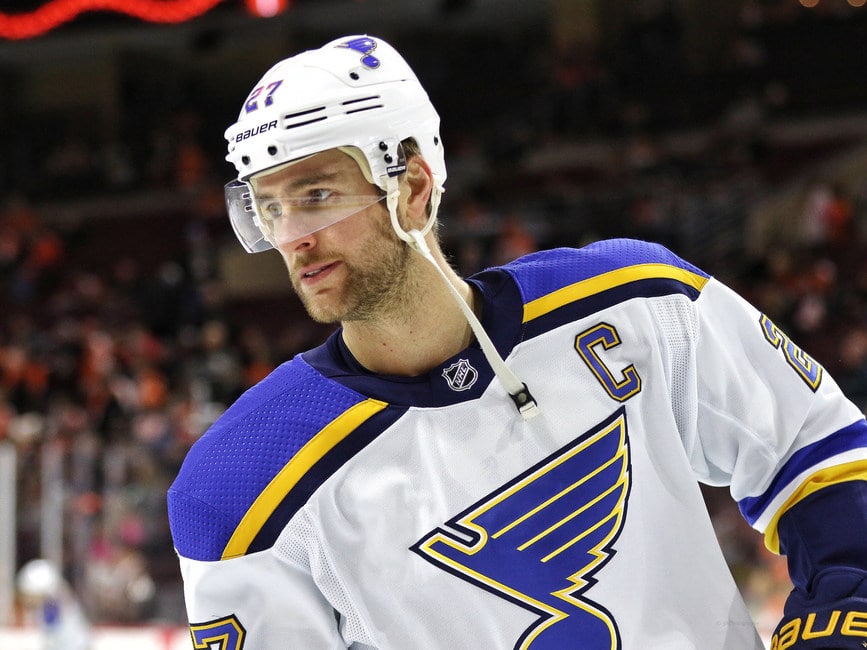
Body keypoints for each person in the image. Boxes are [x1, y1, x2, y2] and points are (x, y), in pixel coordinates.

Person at [167, 35, 867, 649]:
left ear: (412, 187)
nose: (292, 236)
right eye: (269, 206)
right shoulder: (239, 486)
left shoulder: (636, 299)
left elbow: (823, 457)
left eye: (316, 195)